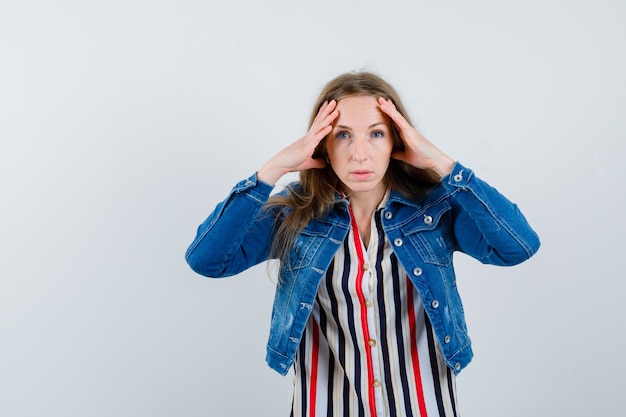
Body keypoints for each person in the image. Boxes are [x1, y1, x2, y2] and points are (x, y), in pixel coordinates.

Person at [185, 71, 540, 417]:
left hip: (422, 404)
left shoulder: (434, 208)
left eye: (376, 134)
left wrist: (442, 164)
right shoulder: (295, 212)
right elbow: (208, 260)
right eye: (342, 135)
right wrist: (271, 171)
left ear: (397, 141)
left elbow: (518, 246)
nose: (359, 154)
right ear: (321, 142)